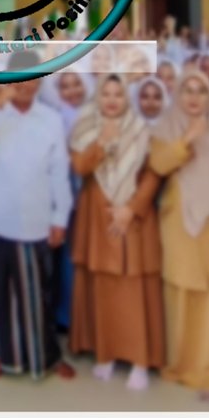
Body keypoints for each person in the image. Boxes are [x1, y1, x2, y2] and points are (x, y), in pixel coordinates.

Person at [0, 51, 75, 381]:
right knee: (3, 291)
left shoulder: (51, 118)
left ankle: (47, 357)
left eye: (34, 77)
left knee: (40, 291)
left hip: (39, 218)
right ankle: (3, 355)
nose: (26, 84)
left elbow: (59, 172)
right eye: (20, 77)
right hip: (1, 216)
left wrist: (60, 217)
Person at [146, 70, 209, 400]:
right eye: (187, 90)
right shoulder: (164, 127)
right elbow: (159, 164)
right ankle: (185, 366)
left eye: (201, 91)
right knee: (184, 293)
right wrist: (187, 139)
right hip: (178, 222)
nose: (193, 97)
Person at [67, 75, 162, 390]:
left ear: (127, 98)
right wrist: (102, 143)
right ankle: (105, 353)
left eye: (118, 94)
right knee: (103, 287)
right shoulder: (85, 126)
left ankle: (139, 360)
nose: (111, 100)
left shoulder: (142, 129)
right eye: (105, 94)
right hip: (97, 215)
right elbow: (79, 167)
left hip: (133, 218)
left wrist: (131, 209)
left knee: (133, 288)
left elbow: (152, 175)